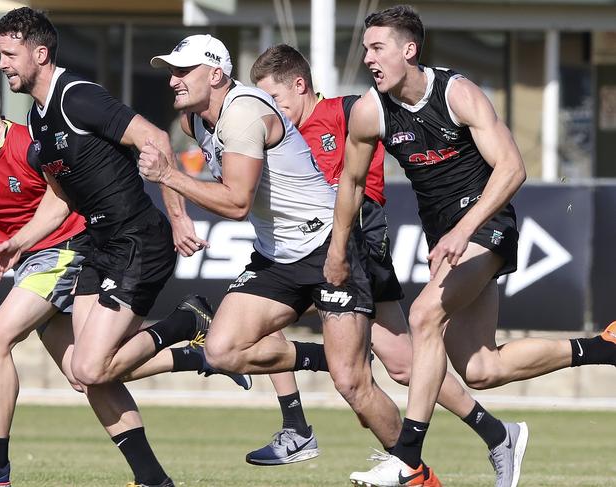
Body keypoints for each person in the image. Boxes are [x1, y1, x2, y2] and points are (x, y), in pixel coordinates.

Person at [323, 5, 616, 487]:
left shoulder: (456, 92)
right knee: (481, 369)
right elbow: (350, 183)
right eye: (366, 50)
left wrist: (463, 230)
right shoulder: (370, 112)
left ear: (408, 50)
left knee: (423, 317)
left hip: (487, 222)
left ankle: (408, 457)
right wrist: (337, 250)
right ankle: (601, 349)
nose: (368, 59)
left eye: (378, 48)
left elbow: (512, 168)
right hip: (448, 236)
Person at [139, 34, 442, 485]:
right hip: (276, 255)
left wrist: (170, 178)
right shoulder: (194, 121)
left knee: (354, 386)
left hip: (328, 247)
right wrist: (179, 215)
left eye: (184, 71)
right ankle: (323, 360)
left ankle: (417, 475)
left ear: (217, 74)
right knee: (221, 351)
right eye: (172, 71)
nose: (174, 80)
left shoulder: (243, 112)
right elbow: (158, 145)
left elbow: (237, 202)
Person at [0, 8, 247, 487]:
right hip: (99, 244)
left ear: (40, 54)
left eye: (9, 53)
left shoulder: (77, 96)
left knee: (91, 364)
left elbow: (152, 138)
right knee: (87, 375)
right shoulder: (37, 114)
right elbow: (61, 197)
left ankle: (187, 321)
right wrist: (17, 244)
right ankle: (152, 479)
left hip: (136, 240)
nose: (1, 63)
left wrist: (178, 216)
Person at [248, 42, 526, 486]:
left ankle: (307, 428)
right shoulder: (283, 135)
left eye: (276, 100)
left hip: (357, 237)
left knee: (273, 328)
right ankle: (497, 434)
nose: (273, 111)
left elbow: (365, 166)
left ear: (300, 86)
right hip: (317, 242)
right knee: (401, 363)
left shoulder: (347, 109)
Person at [0, 67, 88, 487]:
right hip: (31, 262)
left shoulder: (26, 144)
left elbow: (65, 202)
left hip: (65, 250)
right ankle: (191, 342)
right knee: (86, 374)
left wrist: (16, 243)